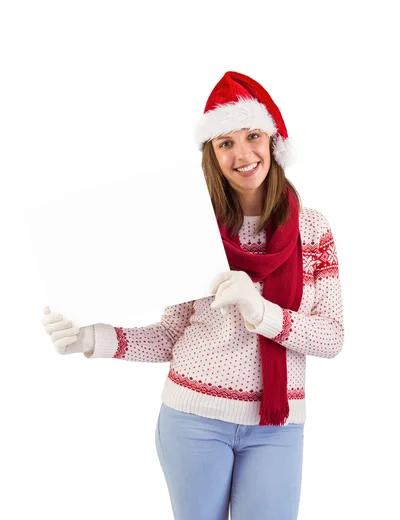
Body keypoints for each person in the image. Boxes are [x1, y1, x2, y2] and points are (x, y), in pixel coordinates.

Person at [42, 70, 344, 520]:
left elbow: (332, 337)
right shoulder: (192, 224)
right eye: (226, 143)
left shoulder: (312, 229)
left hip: (276, 427)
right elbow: (170, 336)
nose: (243, 154)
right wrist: (92, 338)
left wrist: (260, 311)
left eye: (253, 136)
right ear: (212, 154)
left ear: (273, 142)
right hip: (192, 420)